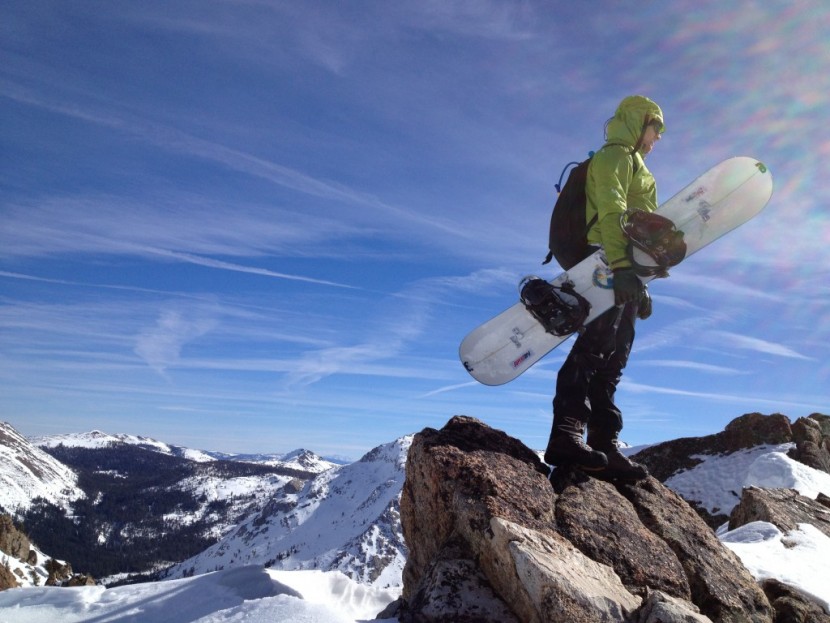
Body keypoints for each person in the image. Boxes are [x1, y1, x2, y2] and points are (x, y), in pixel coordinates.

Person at [543, 95, 664, 481]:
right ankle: (566, 433)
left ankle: (605, 442)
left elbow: (640, 228)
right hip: (598, 255)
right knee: (597, 340)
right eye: (655, 127)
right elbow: (612, 213)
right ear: (637, 122)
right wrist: (624, 267)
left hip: (621, 263)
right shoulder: (613, 156)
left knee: (618, 351)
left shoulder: (640, 169)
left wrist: (641, 280)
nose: (658, 137)